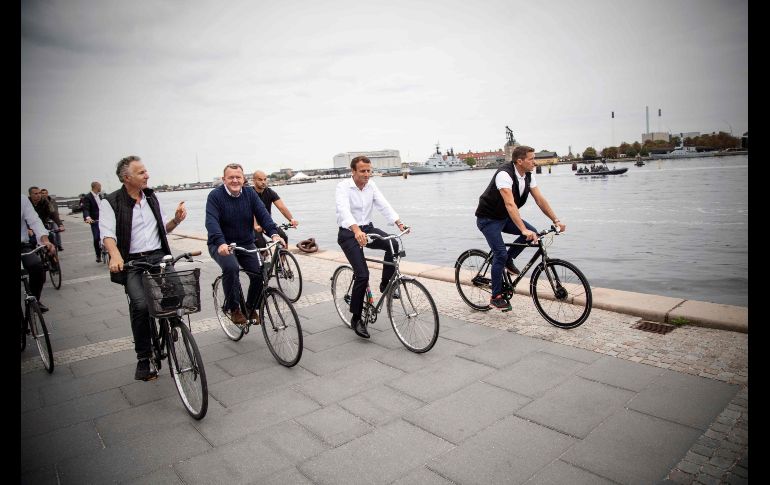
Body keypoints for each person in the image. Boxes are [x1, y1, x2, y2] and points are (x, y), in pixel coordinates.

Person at [101, 156, 187, 381]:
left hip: (158, 255)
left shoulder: (151, 197)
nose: (147, 175)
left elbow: (162, 228)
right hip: (132, 261)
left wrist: (176, 221)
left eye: (146, 171)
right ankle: (144, 357)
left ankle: (169, 325)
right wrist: (116, 255)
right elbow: (107, 234)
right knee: (140, 305)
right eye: (141, 173)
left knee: (178, 293)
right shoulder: (111, 202)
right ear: (126, 178)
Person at [475, 145, 566, 310]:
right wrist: (523, 229)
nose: (535, 162)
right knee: (500, 253)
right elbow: (510, 204)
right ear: (520, 161)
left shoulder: (529, 175)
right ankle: (495, 296)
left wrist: (556, 220)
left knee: (534, 234)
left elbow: (540, 199)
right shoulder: (504, 174)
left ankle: (508, 260)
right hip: (488, 219)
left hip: (505, 217)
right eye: (531, 159)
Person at [335, 155, 407, 339]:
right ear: (353, 171)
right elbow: (343, 209)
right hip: (348, 232)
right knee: (363, 275)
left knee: (393, 243)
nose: (367, 175)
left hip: (366, 229)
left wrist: (398, 223)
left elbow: (383, 204)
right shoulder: (343, 186)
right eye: (363, 171)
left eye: (369, 171)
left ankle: (385, 284)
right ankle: (357, 318)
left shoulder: (371, 186)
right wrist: (356, 230)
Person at [206, 163, 283, 326]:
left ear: (243, 179)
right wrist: (220, 243)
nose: (235, 180)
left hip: (246, 242)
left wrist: (274, 233)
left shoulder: (249, 194)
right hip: (221, 244)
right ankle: (234, 309)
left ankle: (250, 306)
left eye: (238, 177)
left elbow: (263, 215)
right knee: (231, 268)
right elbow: (211, 222)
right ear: (224, 179)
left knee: (259, 274)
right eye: (231, 177)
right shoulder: (215, 196)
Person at [21, 195, 56, 312]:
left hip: (22, 244)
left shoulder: (22, 199)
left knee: (36, 266)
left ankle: (35, 300)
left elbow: (34, 220)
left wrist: (45, 240)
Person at [251, 170, 298, 249]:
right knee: (261, 244)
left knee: (283, 237)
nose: (263, 182)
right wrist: (255, 225)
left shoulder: (270, 192)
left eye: (265, 179)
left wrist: (291, 219)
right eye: (260, 179)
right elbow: (250, 211)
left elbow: (282, 208)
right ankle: (262, 258)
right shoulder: (249, 193)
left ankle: (282, 259)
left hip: (266, 222)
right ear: (254, 180)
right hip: (253, 224)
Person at [82, 181, 103, 262]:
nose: (101, 188)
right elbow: (85, 208)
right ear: (96, 187)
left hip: (103, 219)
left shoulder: (100, 196)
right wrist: (88, 217)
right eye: (100, 186)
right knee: (96, 238)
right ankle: (98, 255)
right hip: (94, 220)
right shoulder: (88, 197)